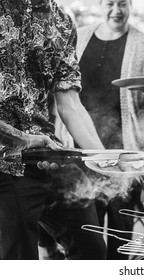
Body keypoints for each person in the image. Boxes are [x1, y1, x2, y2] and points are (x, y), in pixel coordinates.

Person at [0, 0, 106, 259]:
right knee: (18, 261)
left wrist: (105, 158)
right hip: (4, 162)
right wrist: (22, 139)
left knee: (92, 249)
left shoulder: (61, 20)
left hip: (47, 152)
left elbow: (70, 105)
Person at [75, 0, 144, 259]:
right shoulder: (78, 37)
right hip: (82, 153)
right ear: (99, 4)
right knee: (84, 235)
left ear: (131, 5)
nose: (116, 10)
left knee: (120, 235)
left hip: (125, 157)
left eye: (123, 3)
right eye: (110, 3)